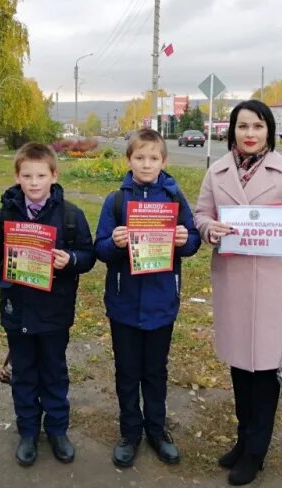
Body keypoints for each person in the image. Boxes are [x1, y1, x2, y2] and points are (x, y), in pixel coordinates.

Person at [194, 100, 282, 486]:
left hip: (274, 288)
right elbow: (200, 214)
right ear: (232, 130)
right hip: (233, 282)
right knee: (239, 367)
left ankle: (256, 453)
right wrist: (209, 229)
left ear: (269, 131)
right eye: (242, 126)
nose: (249, 133)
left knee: (264, 370)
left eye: (258, 126)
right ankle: (243, 440)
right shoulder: (217, 170)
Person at [94, 129, 201, 468]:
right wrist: (115, 242)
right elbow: (100, 249)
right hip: (124, 305)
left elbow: (193, 241)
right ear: (129, 161)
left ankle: (156, 430)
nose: (146, 164)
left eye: (153, 158)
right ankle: (130, 432)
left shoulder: (173, 198)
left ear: (163, 162)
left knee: (155, 372)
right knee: (127, 372)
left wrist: (185, 239)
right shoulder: (116, 200)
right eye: (139, 157)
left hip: (160, 303)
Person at [0, 142, 95, 467]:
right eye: (27, 176)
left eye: (40, 175)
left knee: (54, 371)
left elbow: (89, 256)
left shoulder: (71, 216)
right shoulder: (5, 215)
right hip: (18, 309)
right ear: (17, 177)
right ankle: (27, 432)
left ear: (54, 175)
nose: (34, 183)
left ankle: (57, 430)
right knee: (24, 373)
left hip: (54, 312)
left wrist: (71, 259)